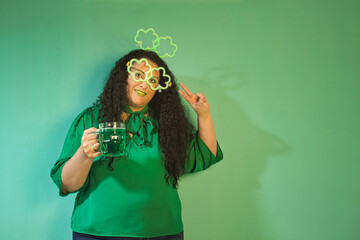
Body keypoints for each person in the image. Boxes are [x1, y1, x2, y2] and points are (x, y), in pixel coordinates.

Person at [50, 49, 223, 240]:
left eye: (153, 81)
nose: (144, 84)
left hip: (162, 232)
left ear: (158, 89)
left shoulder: (168, 125)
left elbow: (205, 155)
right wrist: (84, 155)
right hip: (97, 232)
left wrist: (204, 115)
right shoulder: (91, 119)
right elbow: (67, 185)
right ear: (123, 77)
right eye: (139, 75)